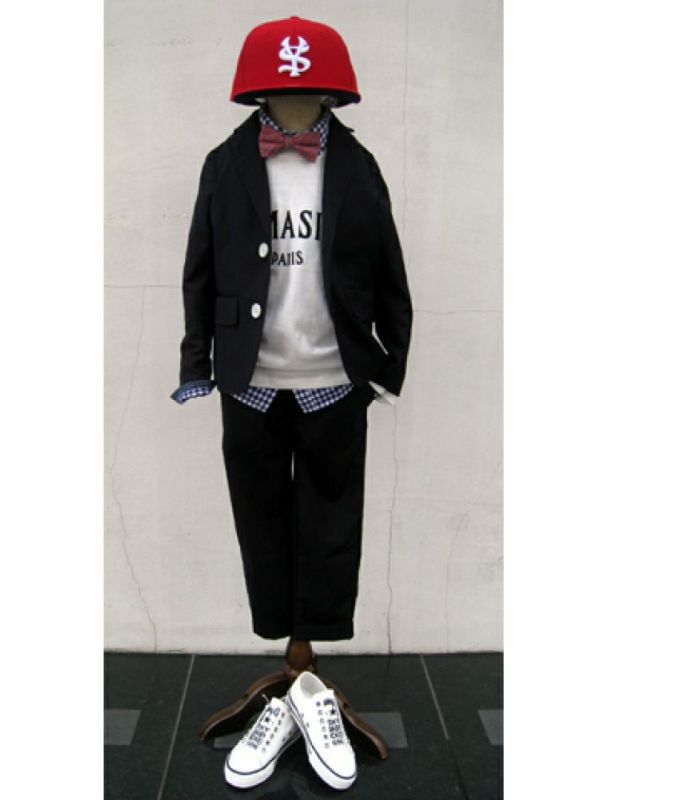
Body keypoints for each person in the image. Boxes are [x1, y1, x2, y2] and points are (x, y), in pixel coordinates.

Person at [170, 16, 413, 789]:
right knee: (262, 518)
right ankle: (286, 663)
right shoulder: (225, 164)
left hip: (333, 378)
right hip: (250, 380)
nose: (297, 102)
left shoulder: (358, 167)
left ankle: (312, 676)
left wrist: (388, 365)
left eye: (310, 91)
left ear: (332, 91)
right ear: (259, 92)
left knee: (333, 521)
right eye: (283, 91)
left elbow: (389, 268)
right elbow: (200, 269)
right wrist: (197, 362)